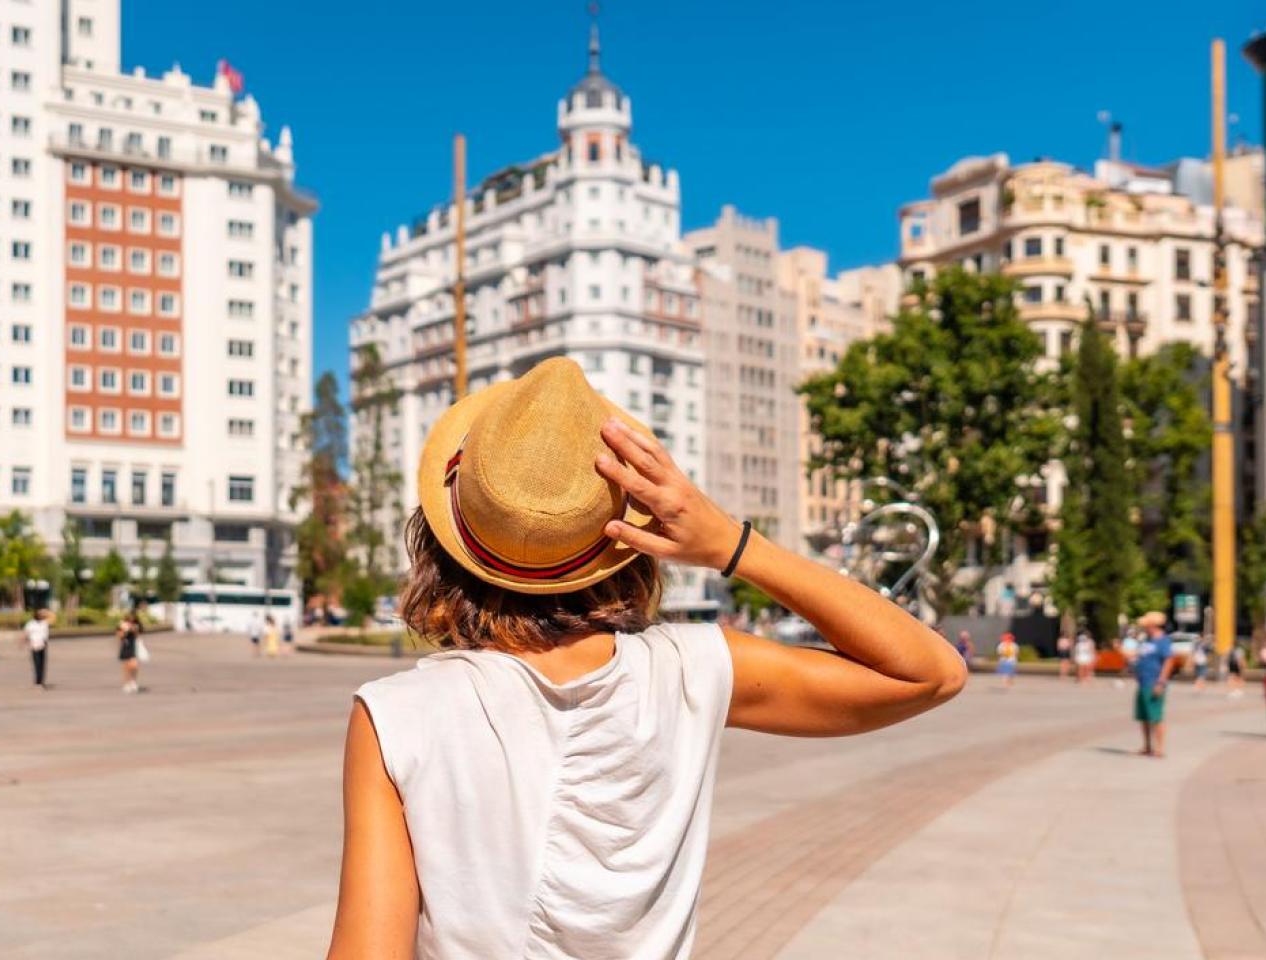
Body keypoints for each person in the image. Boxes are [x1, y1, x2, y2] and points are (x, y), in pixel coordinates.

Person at [325, 358, 966, 958]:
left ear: (443, 539)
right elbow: (930, 672)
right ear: (627, 533)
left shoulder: (398, 717)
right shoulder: (692, 670)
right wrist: (731, 545)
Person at [1132, 611, 1183, 758]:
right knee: (1144, 717)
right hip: (1142, 682)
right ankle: (1147, 746)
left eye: (1146, 625)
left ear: (1153, 625)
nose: (1144, 628)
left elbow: (1169, 661)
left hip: (1154, 682)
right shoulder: (1146, 640)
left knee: (1155, 716)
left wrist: (1161, 681)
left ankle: (1159, 748)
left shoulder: (1162, 641)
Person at [24, 608, 52, 689]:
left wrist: (45, 643)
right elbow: (26, 633)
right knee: (37, 664)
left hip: (43, 645)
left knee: (42, 664)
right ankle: (37, 681)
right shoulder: (30, 624)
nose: (41, 616)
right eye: (40, 614)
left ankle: (41, 681)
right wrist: (23, 642)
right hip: (34, 645)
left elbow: (46, 635)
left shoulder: (44, 623)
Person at [117, 613, 142, 693]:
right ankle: (127, 683)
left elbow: (138, 635)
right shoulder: (122, 625)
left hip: (134, 646)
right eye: (130, 618)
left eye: (133, 619)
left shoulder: (136, 625)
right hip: (125, 647)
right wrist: (125, 630)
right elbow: (119, 636)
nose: (131, 620)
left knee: (135, 665)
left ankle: (133, 681)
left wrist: (133, 629)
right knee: (126, 667)